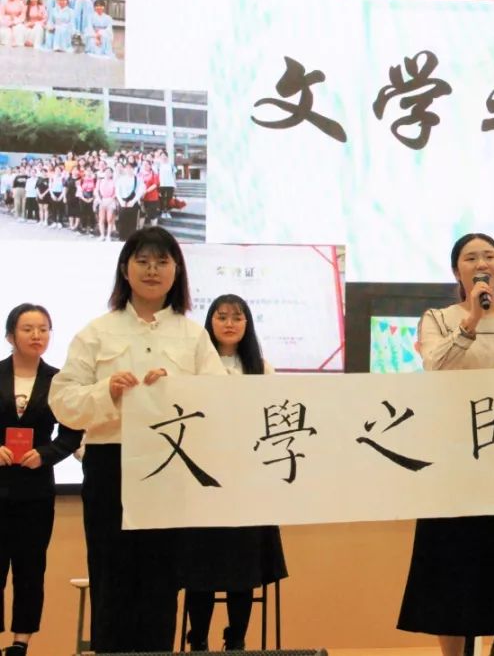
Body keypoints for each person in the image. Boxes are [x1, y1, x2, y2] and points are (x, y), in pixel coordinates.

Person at [49, 227, 229, 653]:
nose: (152, 270)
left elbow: (220, 400)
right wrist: (106, 391)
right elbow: (62, 401)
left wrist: (177, 390)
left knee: (161, 582)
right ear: (125, 269)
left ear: (176, 271)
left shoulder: (193, 336)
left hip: (169, 470)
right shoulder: (97, 332)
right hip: (111, 467)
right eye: (142, 261)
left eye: (162, 262)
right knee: (110, 579)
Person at [398, 233, 494, 656]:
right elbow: (435, 366)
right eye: (471, 258)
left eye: (489, 256)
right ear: (457, 271)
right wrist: (471, 318)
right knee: (449, 569)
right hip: (450, 463)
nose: (481, 263)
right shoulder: (437, 319)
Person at [178, 295, 288, 651]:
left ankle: (236, 640)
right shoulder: (193, 364)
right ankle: (198, 641)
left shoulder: (262, 368)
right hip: (202, 481)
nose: (229, 324)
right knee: (201, 567)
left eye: (237, 317)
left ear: (247, 324)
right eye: (221, 316)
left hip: (247, 483)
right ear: (209, 322)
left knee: (244, 567)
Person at [0, 304, 82, 656]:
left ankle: (21, 643)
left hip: (35, 490)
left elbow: (72, 433)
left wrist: (46, 454)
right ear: (10, 336)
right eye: (28, 329)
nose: (37, 335)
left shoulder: (58, 380)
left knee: (31, 569)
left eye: (43, 329)